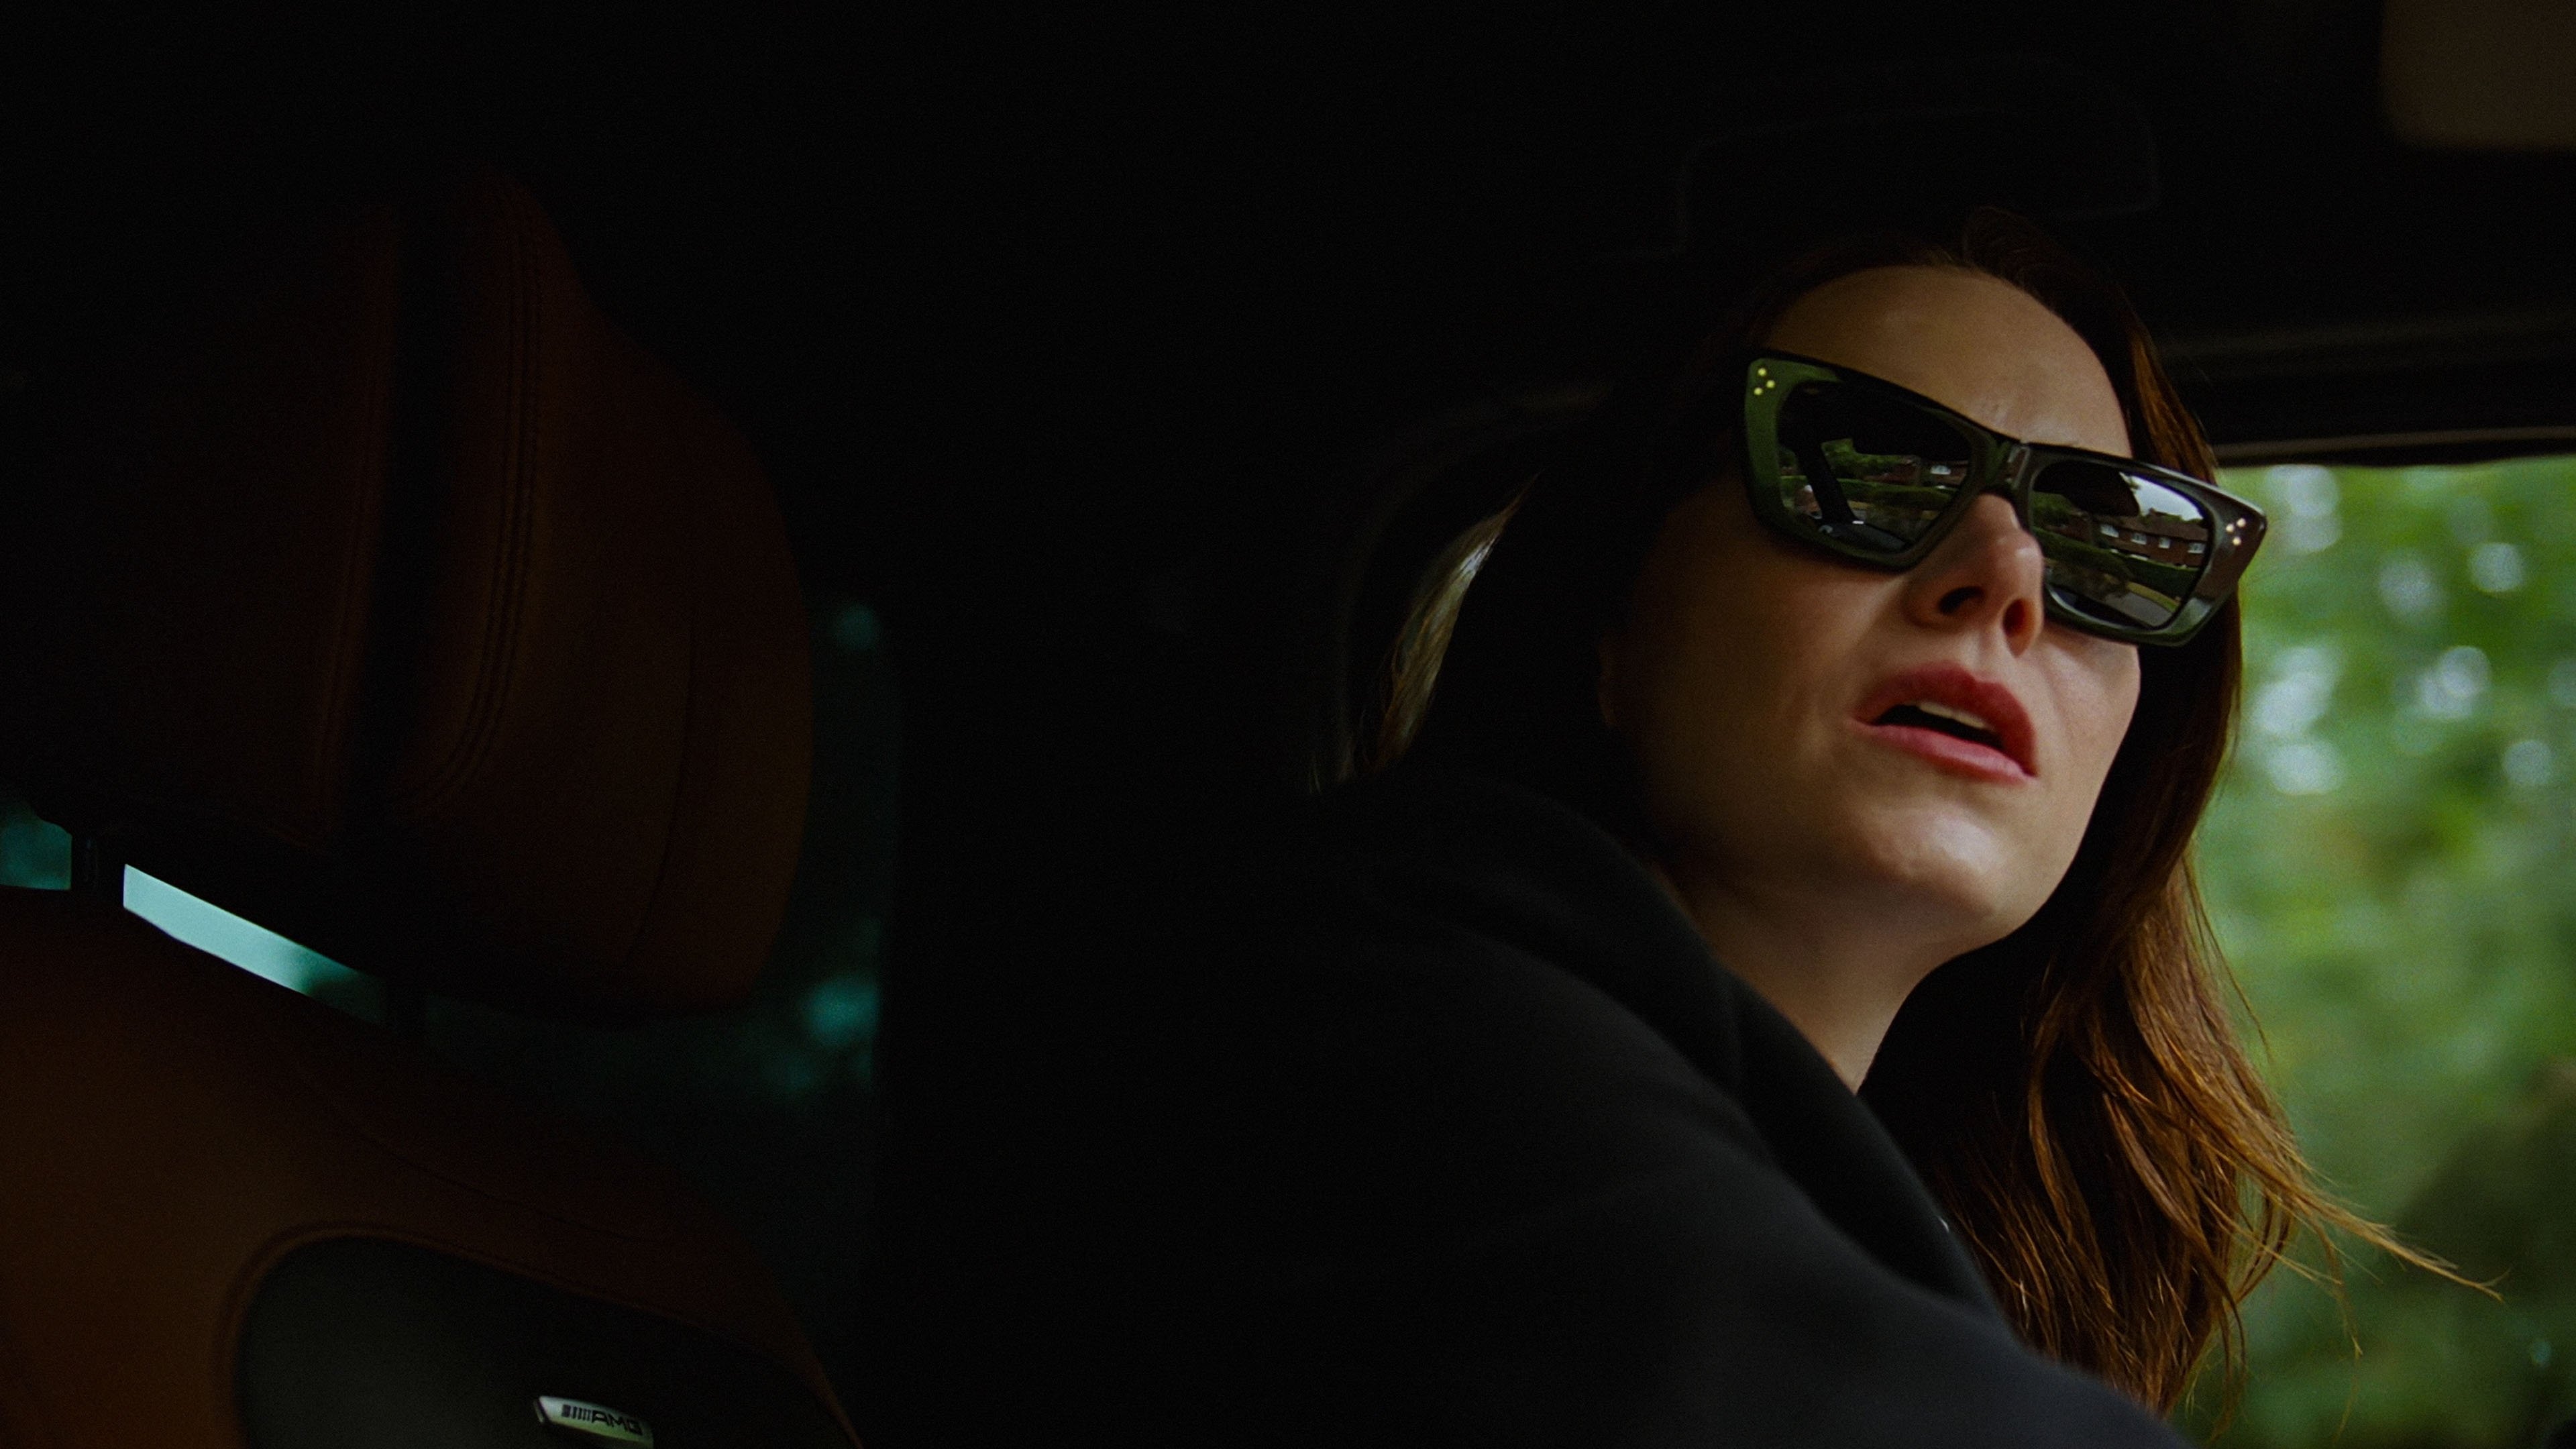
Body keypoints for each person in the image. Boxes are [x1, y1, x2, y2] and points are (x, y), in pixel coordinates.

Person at [869, 206, 2411, 1445]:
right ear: (1613, 619)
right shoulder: (1356, 998)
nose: (2006, 578)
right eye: (1862, 470)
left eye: (2106, 540)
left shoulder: (1880, 1210)